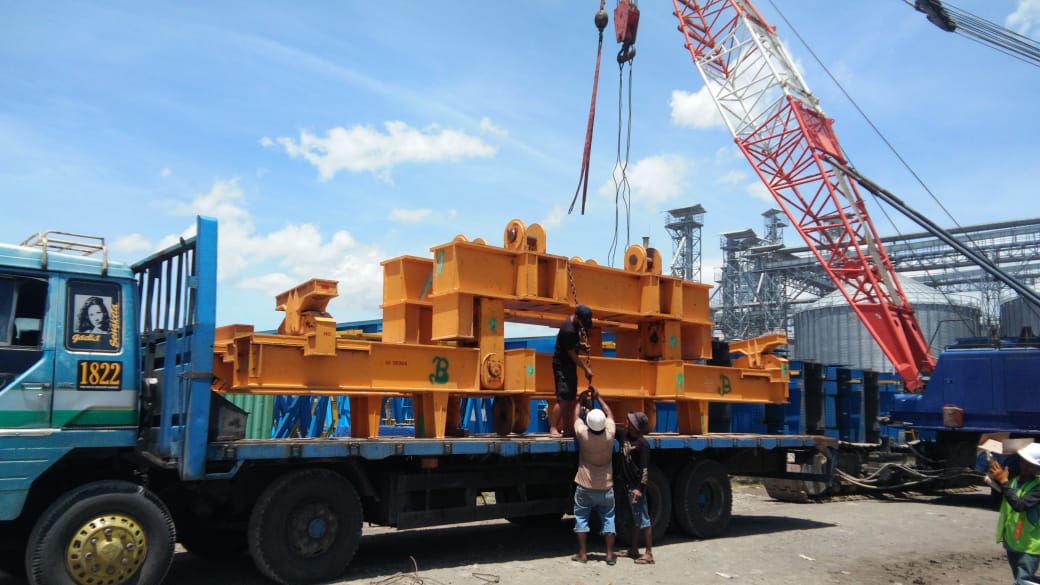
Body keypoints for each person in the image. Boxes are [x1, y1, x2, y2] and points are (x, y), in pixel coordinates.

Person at [571, 387, 617, 565]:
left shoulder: (583, 434)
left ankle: (582, 554)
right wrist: (599, 398)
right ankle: (609, 555)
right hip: (606, 487)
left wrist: (580, 400)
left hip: (585, 485)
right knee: (608, 519)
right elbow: (610, 414)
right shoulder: (610, 434)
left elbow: (575, 417)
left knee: (581, 518)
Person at [989, 442, 1040, 585]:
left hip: (1030, 545)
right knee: (1021, 579)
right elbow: (997, 501)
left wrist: (1004, 483)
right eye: (1023, 462)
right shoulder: (1012, 482)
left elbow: (1019, 505)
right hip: (1012, 541)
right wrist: (996, 480)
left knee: (1023, 580)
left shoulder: (1037, 487)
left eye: (1030, 465)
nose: (1025, 467)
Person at [549, 305, 594, 437]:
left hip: (569, 365)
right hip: (562, 365)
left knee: (570, 398)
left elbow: (571, 345)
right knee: (563, 398)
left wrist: (580, 346)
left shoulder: (576, 324)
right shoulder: (568, 329)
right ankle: (553, 428)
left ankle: (568, 429)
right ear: (577, 318)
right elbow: (572, 354)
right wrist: (586, 368)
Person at [618, 410, 654, 564]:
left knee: (644, 519)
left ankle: (649, 553)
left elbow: (644, 470)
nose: (626, 422)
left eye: (629, 421)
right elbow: (609, 424)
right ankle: (633, 549)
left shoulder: (643, 444)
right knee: (635, 519)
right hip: (627, 485)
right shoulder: (623, 435)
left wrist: (639, 488)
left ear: (634, 425)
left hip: (635, 486)